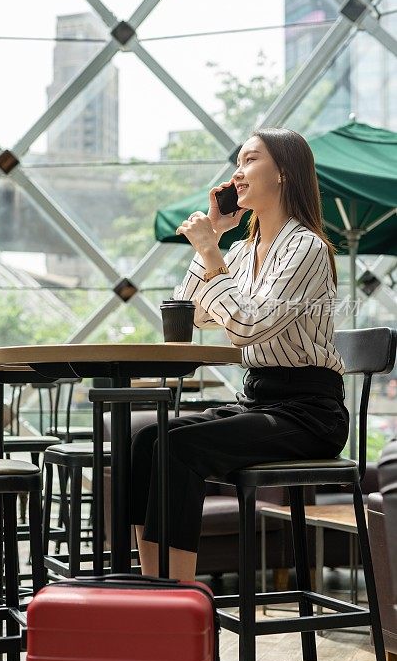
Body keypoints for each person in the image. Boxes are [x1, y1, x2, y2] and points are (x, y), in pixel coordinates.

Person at [131, 128, 350, 581]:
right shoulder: (245, 250)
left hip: (309, 413)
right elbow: (192, 314)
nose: (237, 171)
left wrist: (212, 253)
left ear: (284, 174)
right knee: (148, 438)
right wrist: (213, 239)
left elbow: (246, 327)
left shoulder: (306, 247)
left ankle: (176, 596)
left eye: (251, 160)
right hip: (260, 401)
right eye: (239, 161)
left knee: (179, 447)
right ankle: (151, 588)